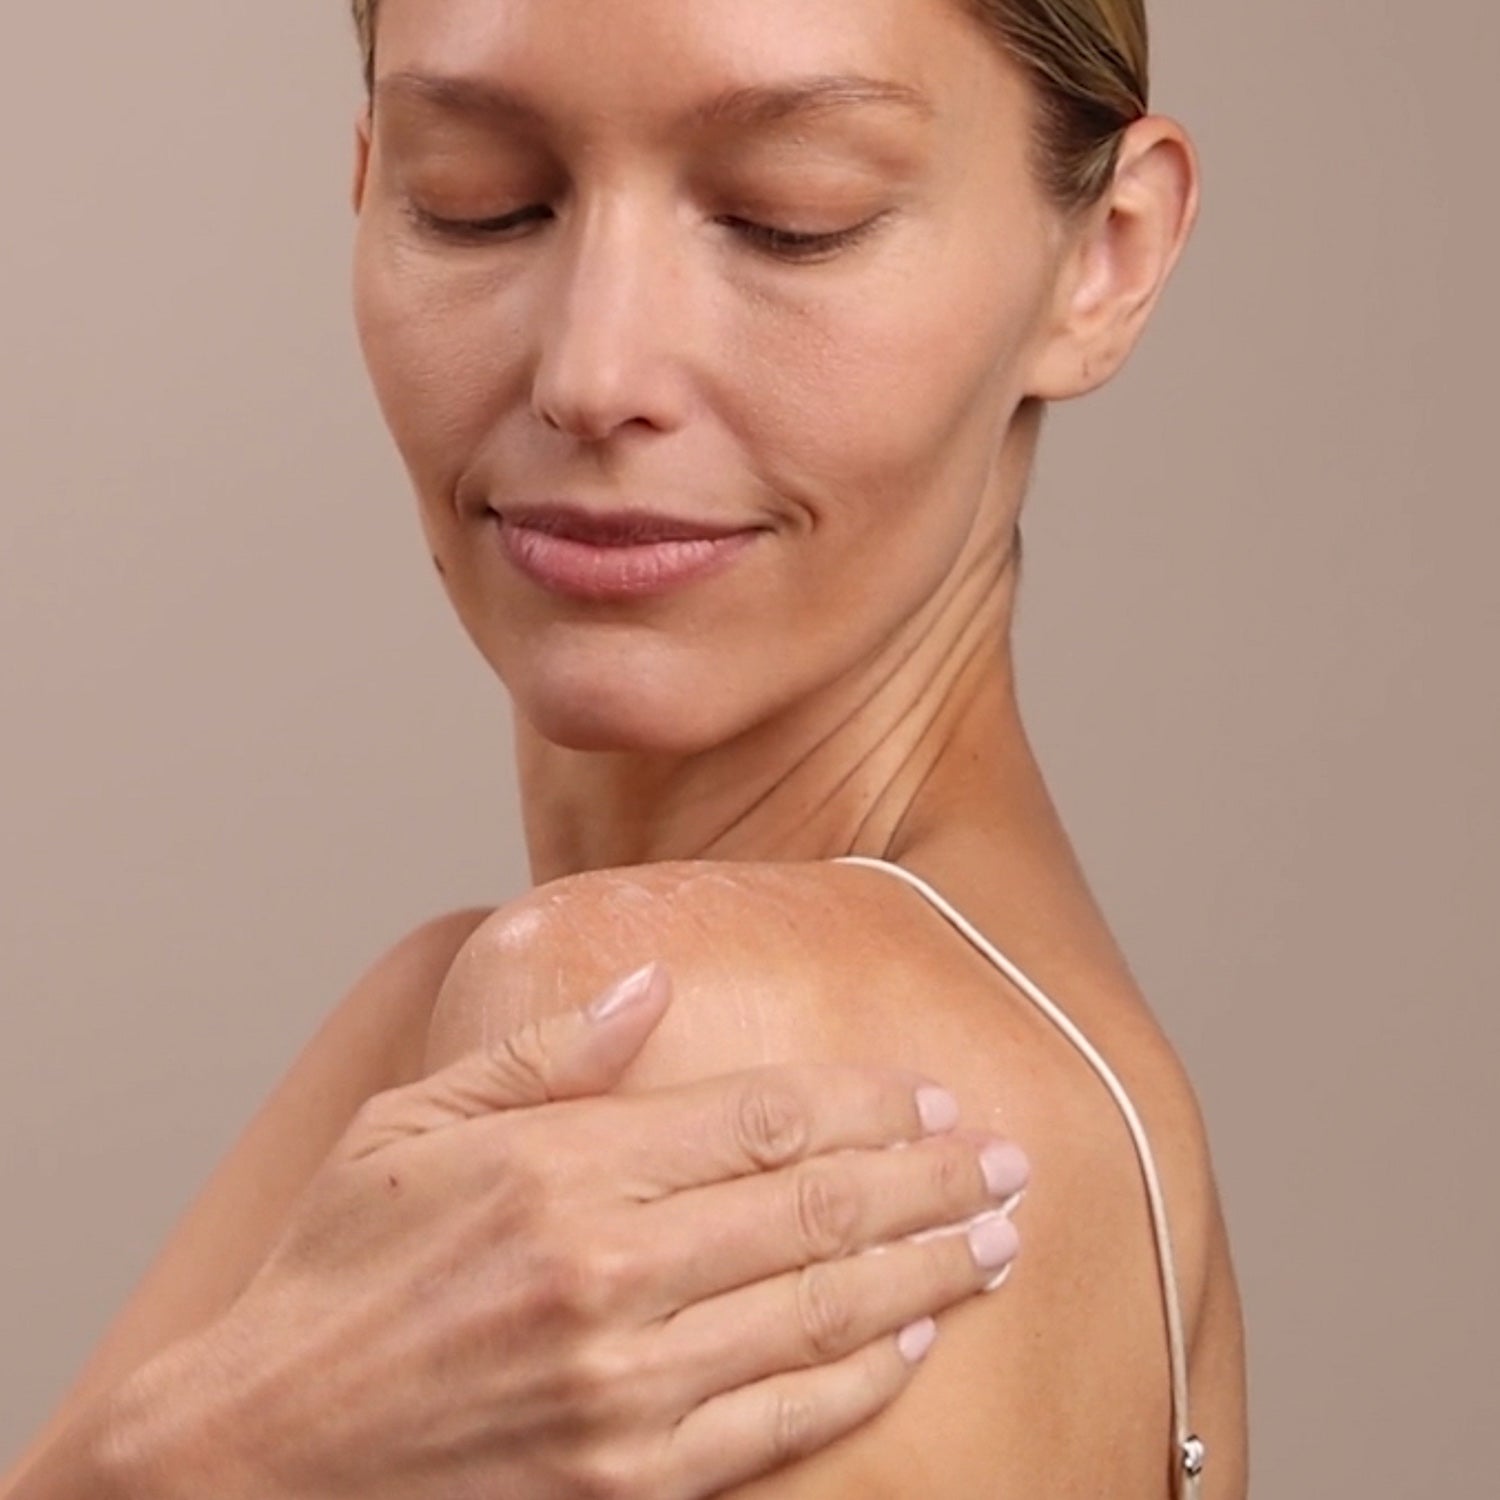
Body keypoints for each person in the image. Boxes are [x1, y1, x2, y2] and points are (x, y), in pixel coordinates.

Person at [5, 0, 1248, 1495]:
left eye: (794, 220)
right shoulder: (433, 1020)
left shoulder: (649, 1027)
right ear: (364, 184)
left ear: (1107, 254)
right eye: (478, 201)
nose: (593, 373)